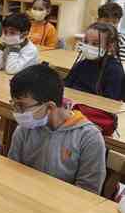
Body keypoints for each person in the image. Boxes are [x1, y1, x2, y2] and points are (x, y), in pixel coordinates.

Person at [9, 64, 106, 194]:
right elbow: (11, 171)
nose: (17, 112)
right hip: (25, 196)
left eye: (21, 105)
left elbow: (88, 193)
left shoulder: (88, 137)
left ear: (50, 107)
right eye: (14, 104)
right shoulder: (24, 128)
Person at [65, 22, 124, 100]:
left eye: (95, 44)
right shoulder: (81, 64)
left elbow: (111, 103)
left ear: (109, 46)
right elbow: (66, 87)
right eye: (86, 42)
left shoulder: (114, 70)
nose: (88, 46)